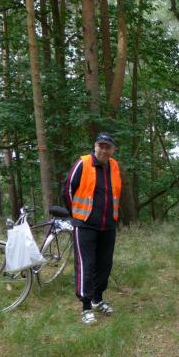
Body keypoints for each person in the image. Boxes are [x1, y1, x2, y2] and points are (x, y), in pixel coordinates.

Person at [64, 133, 121, 325]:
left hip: (108, 225)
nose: (104, 150)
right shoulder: (83, 163)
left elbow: (115, 194)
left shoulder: (114, 166)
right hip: (85, 224)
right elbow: (68, 190)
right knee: (86, 266)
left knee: (104, 265)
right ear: (95, 146)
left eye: (108, 147)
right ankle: (86, 307)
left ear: (113, 150)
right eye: (100, 146)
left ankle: (98, 299)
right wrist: (76, 215)